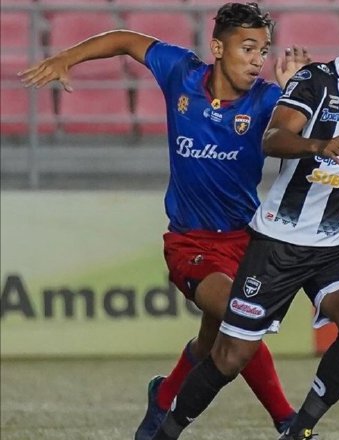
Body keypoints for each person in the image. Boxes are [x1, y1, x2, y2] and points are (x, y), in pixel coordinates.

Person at [19, 2, 310, 437]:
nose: (257, 59)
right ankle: (288, 422)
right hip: (190, 244)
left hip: (245, 243)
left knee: (213, 339)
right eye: (247, 48)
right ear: (217, 47)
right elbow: (123, 40)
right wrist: (66, 58)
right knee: (241, 318)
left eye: (263, 51)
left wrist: (295, 97)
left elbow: (296, 139)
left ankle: (163, 396)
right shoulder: (181, 73)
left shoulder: (268, 99)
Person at [149, 6, 339, 440]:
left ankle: (299, 430)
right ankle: (166, 429)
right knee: (230, 355)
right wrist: (320, 144)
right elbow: (273, 137)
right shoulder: (314, 82)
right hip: (278, 241)